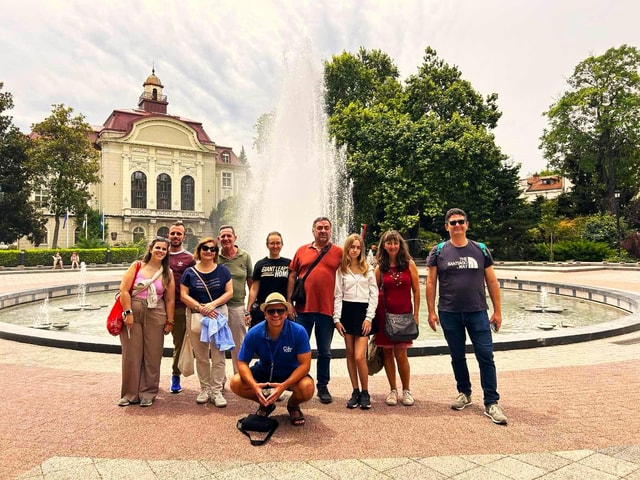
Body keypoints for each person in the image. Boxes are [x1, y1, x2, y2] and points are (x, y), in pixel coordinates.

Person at [426, 208, 507, 425]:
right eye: (453, 223)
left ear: (467, 225)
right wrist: (431, 311)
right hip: (449, 312)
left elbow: (491, 281)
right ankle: (464, 392)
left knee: (486, 355)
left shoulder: (480, 249)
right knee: (457, 355)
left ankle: (491, 401)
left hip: (477, 311)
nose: (457, 225)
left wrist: (497, 311)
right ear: (447, 227)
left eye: (461, 222)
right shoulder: (439, 251)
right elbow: (431, 282)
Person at [230, 292, 314, 426]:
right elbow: (242, 362)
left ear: (286, 313)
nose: (276, 314)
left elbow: (305, 365)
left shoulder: (298, 331)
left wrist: (283, 386)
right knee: (235, 382)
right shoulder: (254, 333)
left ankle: (293, 406)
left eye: (280, 311)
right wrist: (254, 386)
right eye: (271, 311)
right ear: (265, 314)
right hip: (264, 371)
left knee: (307, 387)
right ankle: (266, 403)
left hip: (290, 372)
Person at [288, 216, 342, 403]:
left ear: (330, 230)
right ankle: (296, 382)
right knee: (299, 349)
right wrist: (289, 302)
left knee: (325, 351)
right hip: (303, 309)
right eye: (319, 228)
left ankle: (322, 386)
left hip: (327, 310)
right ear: (313, 230)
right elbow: (292, 275)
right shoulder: (302, 250)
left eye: (326, 227)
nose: (323, 231)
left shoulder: (339, 252)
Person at [117, 237, 175, 407]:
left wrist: (170, 321)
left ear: (167, 252)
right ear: (151, 249)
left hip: (156, 312)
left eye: (164, 249)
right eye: (158, 247)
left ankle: (148, 392)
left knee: (153, 354)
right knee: (131, 354)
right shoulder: (137, 266)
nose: (160, 251)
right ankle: (130, 394)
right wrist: (128, 312)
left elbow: (170, 299)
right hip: (134, 309)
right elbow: (124, 290)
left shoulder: (168, 273)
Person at [180, 237, 233, 407]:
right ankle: (205, 388)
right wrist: (200, 307)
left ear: (216, 253)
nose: (209, 251)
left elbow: (229, 292)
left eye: (212, 249)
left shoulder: (223, 270)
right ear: (199, 250)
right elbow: (183, 295)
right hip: (197, 316)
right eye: (205, 248)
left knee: (218, 355)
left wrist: (212, 305)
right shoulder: (189, 272)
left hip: (217, 315)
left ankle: (216, 390)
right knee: (201, 356)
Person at [374, 230, 420, 407]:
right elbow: (373, 292)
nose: (392, 246)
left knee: (401, 353)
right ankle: (393, 389)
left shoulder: (409, 264)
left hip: (404, 314)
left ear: (400, 244)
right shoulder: (380, 267)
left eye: (395, 242)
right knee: (387, 352)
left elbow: (416, 290)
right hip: (384, 316)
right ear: (384, 245)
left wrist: (416, 314)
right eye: (389, 243)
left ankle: (406, 389)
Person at [333, 233, 378, 409]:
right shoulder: (341, 270)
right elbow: (338, 295)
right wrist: (336, 318)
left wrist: (369, 318)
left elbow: (374, 294)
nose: (355, 250)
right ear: (347, 248)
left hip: (363, 313)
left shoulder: (368, 269)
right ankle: (355, 390)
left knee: (360, 356)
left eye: (358, 247)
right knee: (350, 353)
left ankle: (365, 391)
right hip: (347, 312)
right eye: (352, 247)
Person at [217, 225, 253, 375]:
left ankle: (239, 377)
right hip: (218, 307)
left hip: (237, 306)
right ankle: (219, 380)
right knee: (217, 345)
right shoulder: (214, 256)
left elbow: (251, 284)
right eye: (223, 236)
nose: (226, 239)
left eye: (229, 236)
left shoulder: (244, 256)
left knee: (239, 344)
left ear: (235, 238)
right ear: (219, 239)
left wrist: (248, 310)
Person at [167, 221, 196, 394]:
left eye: (179, 233)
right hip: (156, 307)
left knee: (178, 343)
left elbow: (195, 283)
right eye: (173, 233)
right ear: (168, 235)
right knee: (152, 345)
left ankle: (175, 375)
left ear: (184, 236)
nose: (175, 236)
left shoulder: (189, 259)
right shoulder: (161, 254)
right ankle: (148, 377)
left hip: (179, 307)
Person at [245, 231, 291, 328]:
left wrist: (290, 306)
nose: (275, 246)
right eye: (272, 243)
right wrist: (248, 310)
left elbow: (291, 287)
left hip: (281, 309)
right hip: (263, 308)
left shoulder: (289, 264)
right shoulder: (260, 264)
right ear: (267, 245)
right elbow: (254, 288)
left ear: (282, 244)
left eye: (278, 243)